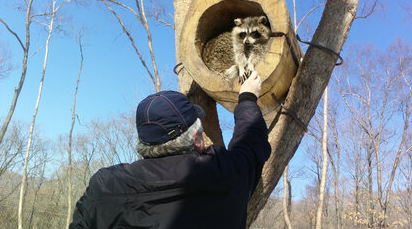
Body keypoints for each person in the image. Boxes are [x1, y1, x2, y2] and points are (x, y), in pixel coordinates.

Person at [69, 71, 271, 229]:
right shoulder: (223, 174)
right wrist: (247, 98)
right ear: (197, 140)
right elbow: (252, 143)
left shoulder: (104, 188)